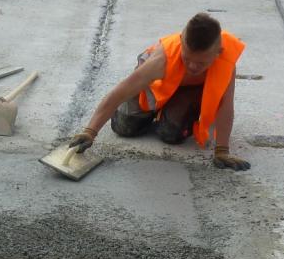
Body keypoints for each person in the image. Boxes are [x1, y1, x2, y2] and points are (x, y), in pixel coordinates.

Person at [66, 12, 250, 171]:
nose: (193, 66)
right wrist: (90, 131)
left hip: (189, 90)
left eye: (201, 63)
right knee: (124, 127)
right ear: (181, 44)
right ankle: (156, 110)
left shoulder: (226, 63)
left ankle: (173, 109)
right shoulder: (162, 59)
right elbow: (120, 92)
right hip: (157, 84)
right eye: (187, 58)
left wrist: (222, 150)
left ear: (218, 52)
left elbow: (226, 105)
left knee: (171, 134)